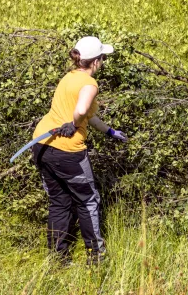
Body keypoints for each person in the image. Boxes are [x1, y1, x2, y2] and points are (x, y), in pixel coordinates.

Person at [32, 36, 128, 265]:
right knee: (88, 201)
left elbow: (87, 114)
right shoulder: (90, 84)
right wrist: (74, 124)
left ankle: (58, 259)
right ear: (95, 61)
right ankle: (97, 257)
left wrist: (108, 131)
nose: (103, 62)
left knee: (59, 201)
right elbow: (82, 109)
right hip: (67, 151)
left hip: (42, 145)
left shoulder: (70, 77)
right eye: (102, 58)